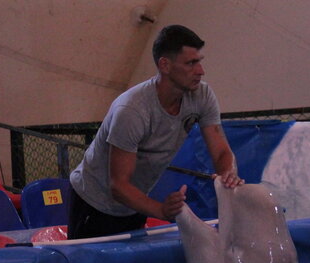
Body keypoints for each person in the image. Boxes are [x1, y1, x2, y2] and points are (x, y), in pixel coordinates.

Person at [67, 24, 242, 239]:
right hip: (94, 203)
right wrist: (161, 210)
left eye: (200, 62)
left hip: (136, 202)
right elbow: (119, 185)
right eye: (191, 63)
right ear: (165, 65)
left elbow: (222, 152)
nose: (201, 71)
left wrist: (228, 175)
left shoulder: (202, 95)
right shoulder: (132, 110)